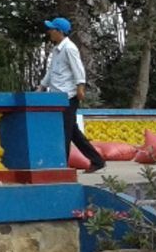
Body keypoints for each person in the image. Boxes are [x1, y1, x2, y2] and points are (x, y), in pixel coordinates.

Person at [37, 17, 106, 173]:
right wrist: (42, 86)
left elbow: (78, 68)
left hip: (68, 96)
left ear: (60, 31)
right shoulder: (57, 49)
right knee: (72, 131)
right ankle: (97, 160)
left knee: (65, 132)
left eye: (52, 29)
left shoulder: (69, 48)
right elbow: (51, 71)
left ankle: (62, 165)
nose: (49, 32)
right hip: (57, 97)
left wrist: (80, 86)